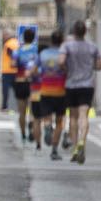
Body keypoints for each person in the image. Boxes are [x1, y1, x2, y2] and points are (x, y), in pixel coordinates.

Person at [61, 20, 101, 164]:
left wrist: (68, 71)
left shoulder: (67, 46)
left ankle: (74, 149)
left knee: (72, 117)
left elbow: (61, 62)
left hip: (71, 84)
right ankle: (81, 142)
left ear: (74, 31)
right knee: (84, 115)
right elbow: (98, 66)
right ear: (85, 32)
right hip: (87, 85)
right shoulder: (92, 47)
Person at [38, 30, 68, 160]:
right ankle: (54, 150)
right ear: (62, 41)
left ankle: (47, 126)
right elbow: (68, 70)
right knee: (60, 121)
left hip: (45, 90)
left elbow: (36, 70)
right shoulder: (64, 55)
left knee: (47, 116)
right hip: (60, 91)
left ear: (51, 41)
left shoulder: (43, 54)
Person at [13, 27, 40, 142]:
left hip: (20, 82)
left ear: (23, 38)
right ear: (34, 38)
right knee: (33, 109)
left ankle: (23, 134)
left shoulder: (18, 51)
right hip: (33, 83)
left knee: (21, 111)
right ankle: (31, 125)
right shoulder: (36, 50)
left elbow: (13, 64)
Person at [0, 31, 19, 111]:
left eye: (3, 35)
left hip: (8, 71)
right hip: (17, 71)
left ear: (7, 35)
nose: (2, 37)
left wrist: (13, 63)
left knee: (5, 90)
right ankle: (19, 106)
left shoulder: (8, 44)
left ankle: (4, 106)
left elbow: (12, 54)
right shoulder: (17, 42)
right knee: (17, 90)